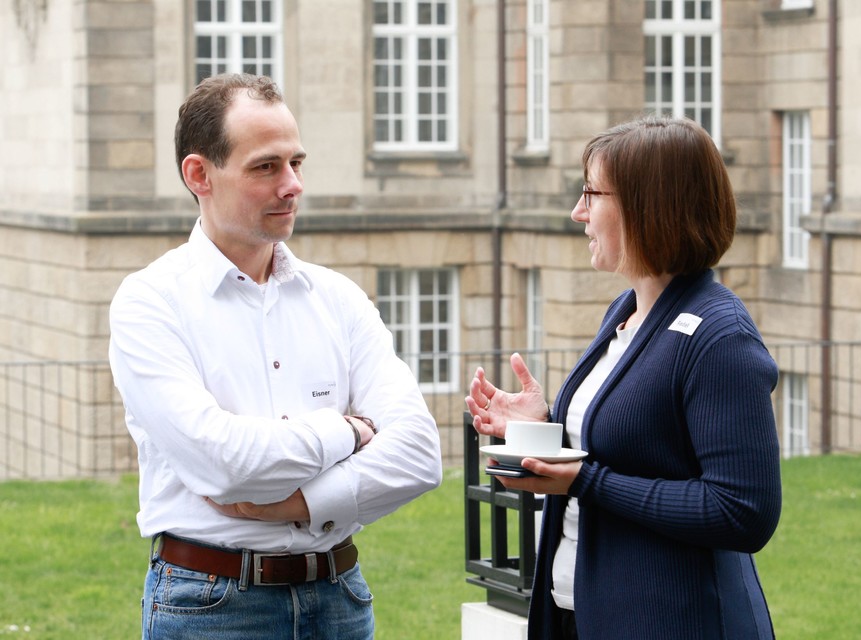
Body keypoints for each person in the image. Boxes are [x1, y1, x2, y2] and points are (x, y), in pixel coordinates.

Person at [109, 73, 442, 640]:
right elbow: (225, 465)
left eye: (297, 163)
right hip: (210, 606)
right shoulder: (150, 303)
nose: (292, 185)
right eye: (266, 166)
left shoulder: (337, 298)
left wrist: (297, 505)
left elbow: (419, 456)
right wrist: (349, 431)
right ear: (199, 175)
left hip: (341, 597)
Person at [466, 115, 782, 639]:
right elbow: (626, 445)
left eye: (592, 193)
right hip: (581, 608)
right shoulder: (627, 310)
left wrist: (585, 481)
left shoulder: (720, 337)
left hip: (673, 621)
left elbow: (742, 510)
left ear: (647, 205)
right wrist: (544, 428)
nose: (578, 212)